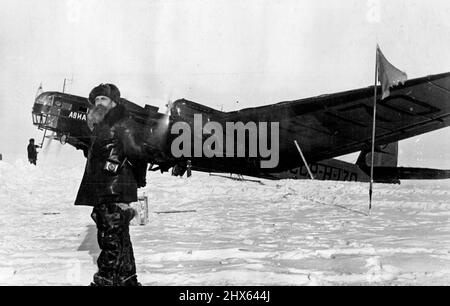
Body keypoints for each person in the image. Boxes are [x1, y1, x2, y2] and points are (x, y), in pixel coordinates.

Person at [74, 83, 151, 286]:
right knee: (119, 237)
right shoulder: (101, 126)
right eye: (96, 99)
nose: (99, 102)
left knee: (110, 238)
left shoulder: (122, 123)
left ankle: (105, 280)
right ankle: (127, 280)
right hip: (104, 189)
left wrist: (136, 179)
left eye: (104, 99)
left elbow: (138, 152)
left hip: (114, 189)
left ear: (114, 102)